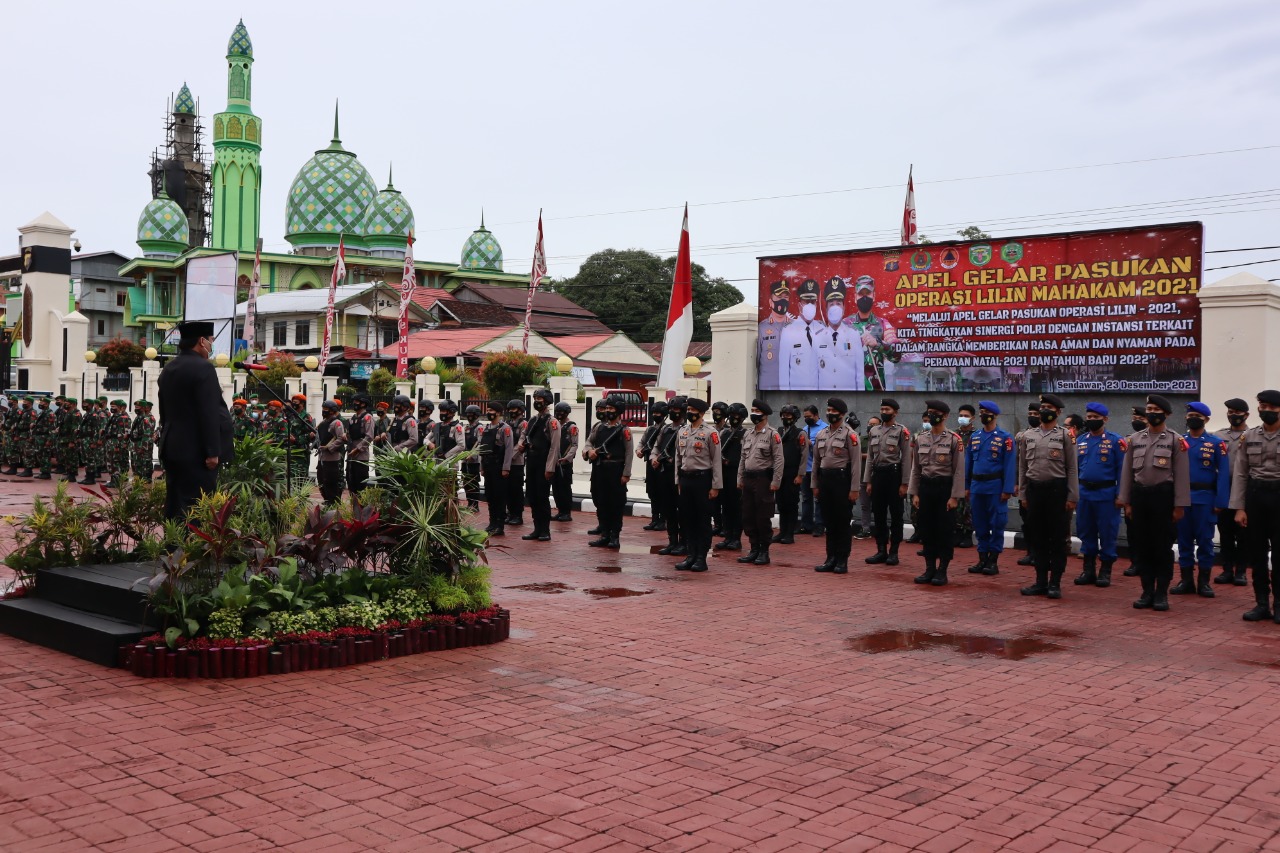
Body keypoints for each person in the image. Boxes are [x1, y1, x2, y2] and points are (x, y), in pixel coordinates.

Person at [157, 320, 234, 520]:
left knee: (175, 503)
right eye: (211, 340)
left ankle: (173, 546)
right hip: (197, 452)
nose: (211, 345)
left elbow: (164, 410)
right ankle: (192, 549)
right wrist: (212, 452)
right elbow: (208, 412)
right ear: (201, 341)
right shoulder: (204, 368)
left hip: (172, 447)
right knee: (197, 507)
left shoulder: (169, 368)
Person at [1120, 394, 1190, 612]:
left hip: (1164, 498)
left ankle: (1161, 593)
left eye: (1156, 409)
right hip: (1140, 498)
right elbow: (1126, 474)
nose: (1152, 413)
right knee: (1143, 547)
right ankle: (1146, 591)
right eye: (1149, 408)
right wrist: (1126, 502)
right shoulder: (1134, 439)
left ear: (1166, 414)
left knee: (1162, 547)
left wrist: (1179, 505)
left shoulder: (1175, 441)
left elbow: (1181, 475)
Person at [1017, 393, 1079, 600]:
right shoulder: (1028, 436)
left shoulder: (1065, 435)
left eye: (1049, 408)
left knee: (1057, 539)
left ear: (1058, 412)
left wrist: (1072, 496)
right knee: (1038, 538)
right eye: (1042, 406)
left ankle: (1055, 583)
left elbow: (1072, 468)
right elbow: (1023, 467)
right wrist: (1023, 493)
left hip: (1057, 491)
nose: (1044, 411)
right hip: (1035, 491)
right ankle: (1040, 581)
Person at [1230, 389, 1280, 623]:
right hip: (1255, 496)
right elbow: (1240, 473)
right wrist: (1239, 507)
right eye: (1263, 407)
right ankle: (1261, 603)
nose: (1266, 411)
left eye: (1272, 408)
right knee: (1257, 554)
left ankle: (1279, 604)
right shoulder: (1249, 436)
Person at [1174, 402, 1230, 598]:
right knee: (1184, 540)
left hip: (1206, 498)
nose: (1192, 418)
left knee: (1205, 541)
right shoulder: (1179, 441)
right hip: (1183, 498)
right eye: (1190, 415)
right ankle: (1186, 580)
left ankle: (1204, 582)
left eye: (1197, 415)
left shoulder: (1216, 443)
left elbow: (1223, 473)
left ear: (1206, 419)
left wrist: (1220, 501)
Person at [908, 400, 966, 586]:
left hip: (945, 489)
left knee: (944, 530)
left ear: (945, 416)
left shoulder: (954, 439)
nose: (932, 415)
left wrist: (954, 496)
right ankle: (929, 568)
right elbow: (915, 469)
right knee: (927, 529)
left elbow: (958, 470)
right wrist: (915, 493)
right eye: (929, 412)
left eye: (936, 412)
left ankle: (942, 570)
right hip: (926, 488)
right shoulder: (920, 438)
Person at [1073, 403, 1125, 588]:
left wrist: (1121, 495)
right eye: (1090, 417)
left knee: (1107, 532)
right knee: (1086, 531)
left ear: (1105, 419)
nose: (1092, 420)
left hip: (1107, 495)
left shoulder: (1115, 441)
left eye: (1096, 417)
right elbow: (1074, 469)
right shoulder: (1080, 440)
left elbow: (1122, 471)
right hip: (1084, 494)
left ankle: (1105, 571)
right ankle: (1088, 570)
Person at [965, 401, 1017, 577]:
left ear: (995, 415)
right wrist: (966, 486)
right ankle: (982, 558)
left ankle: (993, 560)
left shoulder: (1005, 437)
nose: (982, 415)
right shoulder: (975, 436)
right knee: (979, 523)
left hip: (995, 487)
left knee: (997, 523)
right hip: (977, 486)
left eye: (986, 412)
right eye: (981, 412)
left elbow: (1010, 465)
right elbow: (968, 463)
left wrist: (1008, 488)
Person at [812, 397, 860, 574]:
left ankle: (842, 559)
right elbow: (816, 462)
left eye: (834, 411)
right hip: (825, 481)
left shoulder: (849, 434)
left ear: (842, 414)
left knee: (841, 522)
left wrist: (854, 488)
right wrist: (815, 484)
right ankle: (830, 558)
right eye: (829, 410)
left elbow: (856, 464)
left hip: (842, 480)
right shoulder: (821, 434)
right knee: (829, 522)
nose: (830, 414)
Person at [863, 398, 913, 566]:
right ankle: (881, 550)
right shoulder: (874, 431)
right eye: (882, 409)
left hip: (894, 475)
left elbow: (906, 458)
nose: (884, 412)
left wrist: (905, 483)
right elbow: (870, 457)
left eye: (888, 409)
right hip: (878, 475)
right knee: (878, 514)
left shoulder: (902, 431)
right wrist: (868, 481)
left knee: (896, 515)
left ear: (895, 412)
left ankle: (894, 552)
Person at [674, 398, 721, 572]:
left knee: (702, 520)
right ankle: (690, 555)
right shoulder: (683, 431)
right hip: (686, 480)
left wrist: (716, 486)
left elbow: (716, 461)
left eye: (693, 410)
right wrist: (678, 481)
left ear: (701, 413)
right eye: (689, 409)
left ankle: (701, 557)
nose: (690, 413)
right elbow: (678, 458)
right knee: (687, 519)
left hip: (703, 480)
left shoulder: (711, 432)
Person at [737, 399, 784, 565]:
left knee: (763, 516)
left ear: (764, 414)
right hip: (748, 479)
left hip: (764, 479)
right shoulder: (748, 434)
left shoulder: (772, 434)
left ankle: (764, 551)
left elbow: (779, 459)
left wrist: (776, 481)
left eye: (757, 410)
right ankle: (753, 548)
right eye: (752, 410)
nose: (753, 413)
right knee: (748, 515)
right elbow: (743, 458)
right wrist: (740, 477)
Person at [586, 397, 633, 548]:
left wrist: (626, 473)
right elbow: (589, 442)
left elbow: (629, 453)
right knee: (601, 501)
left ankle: (614, 536)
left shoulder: (624, 430)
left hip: (616, 470)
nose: (608, 412)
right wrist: (589, 451)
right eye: (607, 408)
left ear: (619, 411)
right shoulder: (599, 428)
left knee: (615, 504)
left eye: (612, 409)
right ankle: (604, 534)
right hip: (600, 468)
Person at [842, 275, 902, 391]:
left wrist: (878, 344)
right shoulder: (845, 324)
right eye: (860, 294)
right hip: (849, 389)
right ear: (855, 297)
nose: (864, 297)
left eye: (868, 293)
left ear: (873, 296)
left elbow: (897, 355)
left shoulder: (883, 324)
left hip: (875, 390)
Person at [1215, 398, 1251, 586]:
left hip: (1246, 490)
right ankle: (1227, 570)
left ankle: (1241, 572)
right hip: (1224, 489)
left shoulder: (1252, 435)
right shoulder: (1219, 435)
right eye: (1230, 411)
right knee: (1225, 532)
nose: (1233, 415)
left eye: (1237, 412)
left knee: (1244, 534)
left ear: (1246, 415)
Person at [521, 388, 560, 542]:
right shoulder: (532, 420)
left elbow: (554, 447)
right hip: (531, 462)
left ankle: (545, 530)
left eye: (540, 399)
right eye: (535, 398)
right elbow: (524, 436)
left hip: (544, 464)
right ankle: (536, 529)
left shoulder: (552, 422)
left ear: (547, 401)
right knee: (532, 496)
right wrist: (521, 445)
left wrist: (550, 468)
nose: (537, 401)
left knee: (542, 498)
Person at [813, 277, 866, 391]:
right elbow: (814, 376)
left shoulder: (854, 335)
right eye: (831, 304)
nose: (835, 307)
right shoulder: (817, 337)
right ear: (826, 308)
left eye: (838, 304)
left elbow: (860, 377)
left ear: (844, 308)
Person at [650, 397, 686, 555]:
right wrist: (654, 458)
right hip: (664, 473)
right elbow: (656, 447)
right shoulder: (666, 429)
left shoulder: (686, 430)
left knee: (682, 509)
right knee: (668, 509)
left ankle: (684, 542)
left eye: (676, 410)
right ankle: (672, 541)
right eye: (671, 410)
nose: (673, 413)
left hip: (679, 475)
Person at [714, 403, 747, 551]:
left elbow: (746, 456)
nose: (734, 419)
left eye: (737, 416)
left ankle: (736, 538)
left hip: (737, 474)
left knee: (736, 507)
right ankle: (727, 537)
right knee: (725, 506)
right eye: (732, 416)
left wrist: (731, 462)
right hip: (724, 474)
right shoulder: (724, 433)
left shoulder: (745, 434)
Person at [778, 278, 822, 390]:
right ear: (799, 305)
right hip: (798, 395)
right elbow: (783, 371)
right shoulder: (788, 331)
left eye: (813, 302)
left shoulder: (822, 329)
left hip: (821, 392)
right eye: (807, 302)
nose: (810, 305)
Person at [1121, 406, 1149, 577]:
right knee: (1133, 531)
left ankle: (1147, 563)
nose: (1136, 421)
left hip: (1153, 494)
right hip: (1134, 493)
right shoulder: (1129, 441)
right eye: (1134, 417)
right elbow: (1125, 472)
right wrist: (1126, 499)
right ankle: (1135, 562)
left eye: (1141, 418)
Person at [773, 404, 806, 545]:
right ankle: (782, 531)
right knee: (781, 503)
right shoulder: (779, 431)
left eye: (788, 415)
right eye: (783, 415)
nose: (785, 418)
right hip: (780, 473)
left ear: (795, 417)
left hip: (793, 472)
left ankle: (790, 533)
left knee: (791, 503)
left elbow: (804, 456)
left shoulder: (800, 433)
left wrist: (800, 475)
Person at [478, 401, 513, 535]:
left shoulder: (505, 428)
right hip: (488, 466)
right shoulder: (486, 428)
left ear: (498, 413)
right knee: (490, 496)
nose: (489, 413)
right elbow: (483, 449)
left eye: (491, 410)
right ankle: (492, 523)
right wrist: (482, 466)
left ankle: (500, 525)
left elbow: (509, 449)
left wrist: (506, 468)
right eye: (488, 410)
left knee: (500, 496)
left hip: (499, 466)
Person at [1014, 401, 1043, 566]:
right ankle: (1030, 551)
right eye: (1030, 414)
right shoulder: (1023, 436)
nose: (1032, 417)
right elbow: (1020, 463)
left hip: (1045, 486)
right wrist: (1017, 483)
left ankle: (1041, 554)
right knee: (1027, 521)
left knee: (1042, 523)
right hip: (1027, 485)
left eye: (1036, 414)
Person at [640, 402, 669, 531]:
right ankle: (654, 518)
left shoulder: (667, 430)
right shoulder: (650, 429)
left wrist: (658, 458)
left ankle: (662, 519)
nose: (655, 415)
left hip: (661, 465)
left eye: (658, 413)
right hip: (650, 464)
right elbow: (642, 442)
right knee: (652, 491)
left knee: (662, 492)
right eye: (654, 413)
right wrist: (639, 450)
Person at [759, 280, 791, 390]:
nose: (783, 300)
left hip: (792, 387)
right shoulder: (761, 328)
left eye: (785, 297)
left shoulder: (796, 327)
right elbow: (757, 360)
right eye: (778, 296)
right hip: (768, 387)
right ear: (770, 301)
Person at [952, 404, 977, 548]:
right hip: (955, 474)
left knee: (968, 505)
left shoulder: (976, 435)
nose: (962, 418)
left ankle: (967, 534)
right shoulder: (953, 435)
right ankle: (957, 531)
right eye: (961, 415)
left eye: (966, 416)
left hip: (971, 475)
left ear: (973, 418)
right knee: (956, 504)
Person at [800, 405, 825, 536]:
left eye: (809, 416)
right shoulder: (804, 429)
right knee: (805, 498)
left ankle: (819, 525)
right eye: (805, 417)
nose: (807, 419)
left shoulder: (824, 429)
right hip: (806, 468)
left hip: (818, 469)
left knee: (818, 498)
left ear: (816, 415)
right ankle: (806, 525)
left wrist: (812, 444)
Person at [316, 400, 347, 504]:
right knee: (321, 480)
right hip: (321, 457)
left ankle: (333, 502)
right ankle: (326, 499)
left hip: (332, 457)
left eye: (326, 410)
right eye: (323, 409)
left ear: (332, 411)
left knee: (331, 481)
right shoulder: (322, 423)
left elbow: (340, 438)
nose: (324, 411)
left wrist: (329, 447)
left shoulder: (337, 423)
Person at [552, 401, 578, 522]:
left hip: (565, 463)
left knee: (564, 488)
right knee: (556, 487)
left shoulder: (572, 427)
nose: (559, 414)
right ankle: (560, 511)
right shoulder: (555, 425)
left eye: (561, 412)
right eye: (557, 412)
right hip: (555, 462)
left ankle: (566, 512)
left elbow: (574, 445)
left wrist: (567, 458)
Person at [505, 399, 528, 526]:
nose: (511, 412)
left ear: (520, 410)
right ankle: (510, 513)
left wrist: (510, 456)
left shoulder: (524, 424)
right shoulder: (508, 423)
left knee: (516, 490)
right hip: (507, 462)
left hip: (517, 461)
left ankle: (517, 515)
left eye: (514, 409)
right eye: (510, 409)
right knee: (508, 489)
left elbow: (522, 442)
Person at [346, 395, 374, 495]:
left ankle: (362, 509)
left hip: (361, 457)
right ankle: (354, 508)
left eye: (357, 402)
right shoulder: (353, 418)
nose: (354, 404)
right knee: (351, 483)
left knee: (361, 485)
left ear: (363, 404)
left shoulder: (367, 417)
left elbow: (369, 436)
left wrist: (357, 449)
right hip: (351, 456)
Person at [457, 405, 483, 511]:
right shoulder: (466, 427)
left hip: (474, 461)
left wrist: (472, 455)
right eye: (467, 414)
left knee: (473, 483)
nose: (469, 416)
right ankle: (469, 503)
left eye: (471, 414)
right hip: (465, 459)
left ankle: (475, 505)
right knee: (466, 482)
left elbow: (480, 442)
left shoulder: (479, 427)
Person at [104, 399, 132, 486]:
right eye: (111, 406)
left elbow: (123, 433)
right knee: (111, 461)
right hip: (111, 442)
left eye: (114, 407)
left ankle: (115, 481)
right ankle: (113, 479)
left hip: (115, 443)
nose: (112, 408)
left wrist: (117, 445)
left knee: (115, 462)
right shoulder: (114, 417)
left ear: (120, 407)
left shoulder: (122, 418)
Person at [60, 398, 83, 482]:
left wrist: (72, 441)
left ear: (73, 404)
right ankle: (69, 474)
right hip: (65, 438)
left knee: (72, 457)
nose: (65, 404)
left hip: (71, 439)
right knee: (67, 457)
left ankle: (72, 475)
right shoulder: (68, 413)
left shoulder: (75, 414)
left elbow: (76, 429)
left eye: (67, 403)